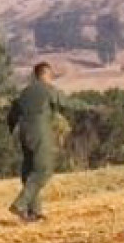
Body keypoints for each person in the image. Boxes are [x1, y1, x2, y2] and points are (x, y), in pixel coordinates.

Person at [6, 61, 93, 222]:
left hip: (24, 133)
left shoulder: (24, 93)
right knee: (43, 170)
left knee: (29, 171)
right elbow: (67, 103)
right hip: (40, 132)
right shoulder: (47, 90)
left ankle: (34, 212)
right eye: (51, 74)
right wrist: (90, 107)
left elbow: (12, 115)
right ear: (46, 74)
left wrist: (12, 130)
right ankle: (20, 204)